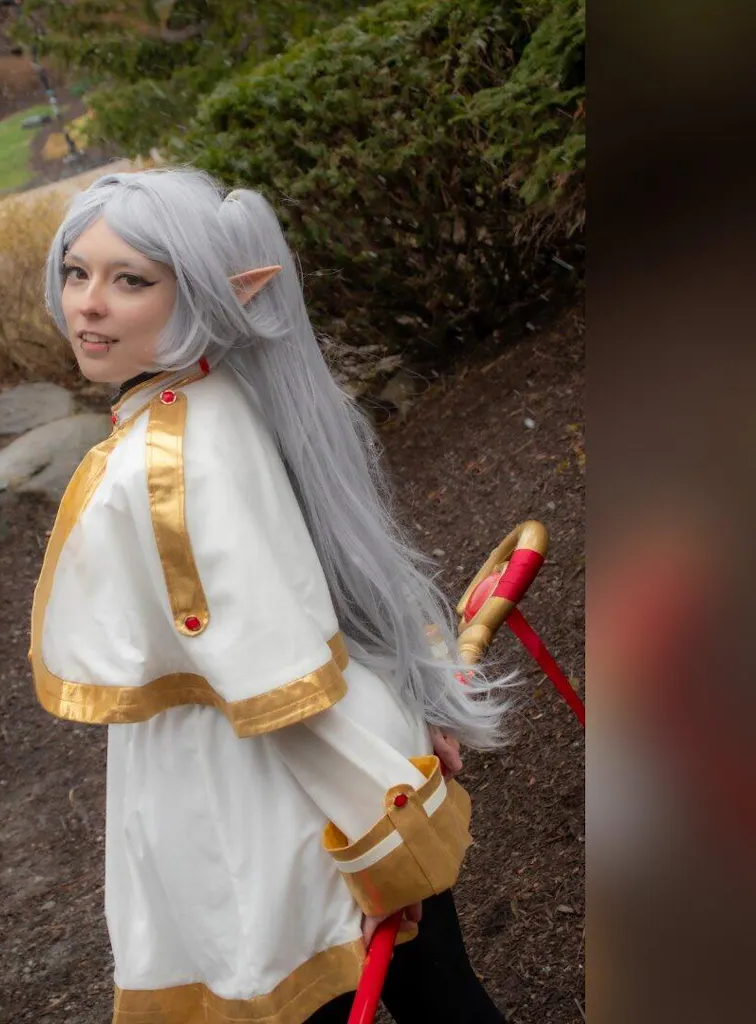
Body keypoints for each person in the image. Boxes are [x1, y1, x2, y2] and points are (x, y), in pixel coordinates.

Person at [29, 167, 510, 1023]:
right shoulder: (220, 396)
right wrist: (405, 729)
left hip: (276, 812)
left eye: (130, 280)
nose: (88, 304)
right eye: (76, 271)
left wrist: (378, 835)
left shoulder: (169, 463)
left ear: (206, 294)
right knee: (444, 999)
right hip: (325, 769)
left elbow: (275, 687)